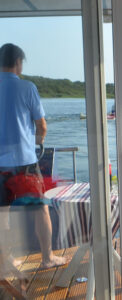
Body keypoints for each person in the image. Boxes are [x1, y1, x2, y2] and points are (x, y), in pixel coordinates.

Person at [0, 43, 67, 269]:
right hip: (25, 163)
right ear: (18, 63)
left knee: (2, 215)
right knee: (41, 209)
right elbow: (42, 126)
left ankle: (5, 260)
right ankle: (47, 258)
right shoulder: (27, 87)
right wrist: (38, 140)